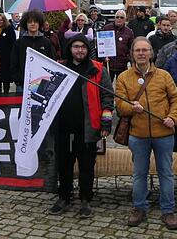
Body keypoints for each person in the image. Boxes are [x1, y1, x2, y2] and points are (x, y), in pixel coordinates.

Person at [116, 37, 177, 230]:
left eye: (145, 50)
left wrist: (173, 117)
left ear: (152, 53)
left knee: (166, 173)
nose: (142, 53)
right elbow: (119, 106)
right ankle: (139, 208)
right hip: (138, 135)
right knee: (139, 174)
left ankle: (168, 211)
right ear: (132, 54)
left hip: (164, 133)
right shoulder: (123, 78)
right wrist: (130, 107)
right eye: (138, 50)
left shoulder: (164, 75)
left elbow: (176, 99)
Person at [49, 34, 114, 218]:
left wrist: (106, 123)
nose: (80, 50)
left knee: (86, 167)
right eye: (76, 46)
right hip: (63, 129)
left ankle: (85, 199)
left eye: (83, 47)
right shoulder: (59, 67)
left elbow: (107, 98)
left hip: (88, 129)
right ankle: (64, 196)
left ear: (88, 49)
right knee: (64, 165)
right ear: (70, 48)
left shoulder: (98, 70)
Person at [10, 10, 56, 91]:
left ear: (39, 24)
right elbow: (14, 62)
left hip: (43, 83)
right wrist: (17, 79)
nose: (32, 24)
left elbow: (52, 61)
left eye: (35, 21)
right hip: (22, 84)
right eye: (29, 22)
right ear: (26, 24)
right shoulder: (19, 43)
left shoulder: (46, 42)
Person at [100, 9, 135, 81]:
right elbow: (100, 45)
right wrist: (103, 57)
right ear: (114, 18)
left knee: (121, 87)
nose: (119, 19)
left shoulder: (129, 32)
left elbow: (131, 48)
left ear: (125, 19)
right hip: (108, 64)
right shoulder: (107, 28)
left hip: (122, 65)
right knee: (107, 86)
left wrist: (126, 58)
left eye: (121, 17)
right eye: (117, 17)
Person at [0, 13, 16, 93]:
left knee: (6, 80)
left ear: (4, 20)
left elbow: (13, 43)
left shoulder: (9, 29)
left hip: (6, 59)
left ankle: (6, 94)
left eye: (1, 20)